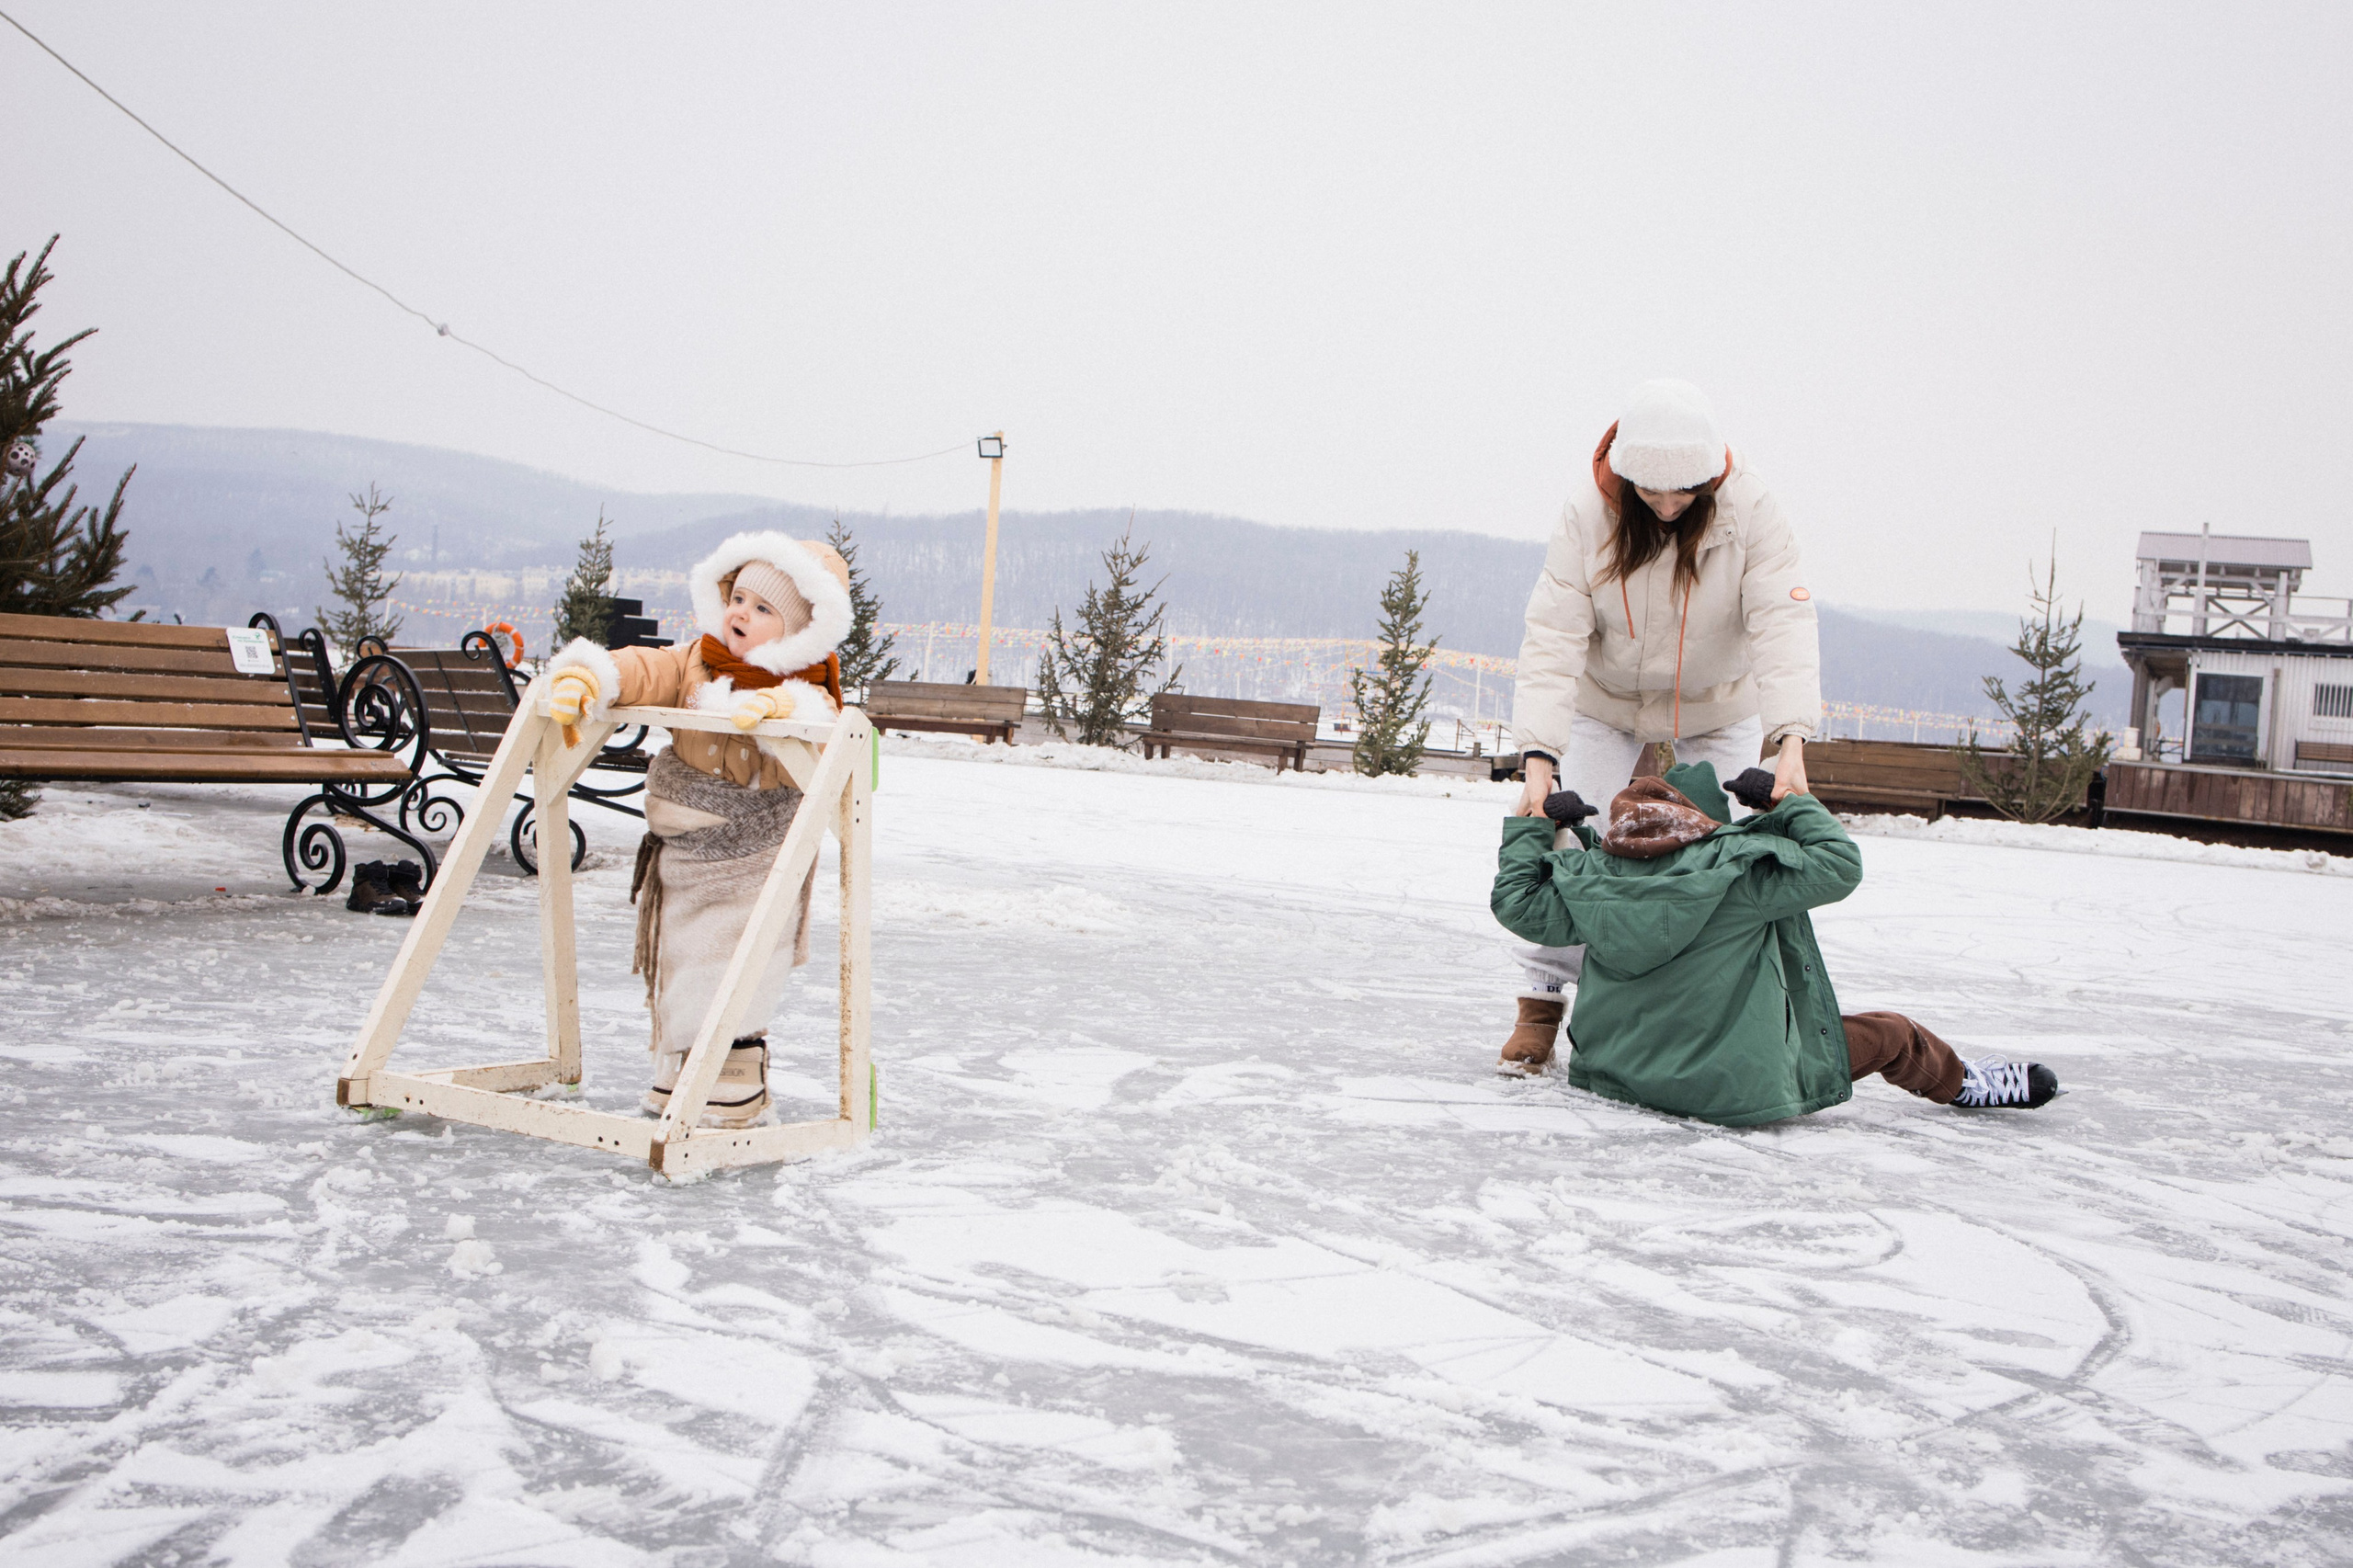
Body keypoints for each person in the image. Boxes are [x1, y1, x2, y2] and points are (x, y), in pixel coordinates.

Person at [1502, 377, 1823, 1075]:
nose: (1670, 505)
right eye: (1652, 490)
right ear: (1627, 473)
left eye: (1686, 491)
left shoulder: (1752, 509)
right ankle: (1543, 999)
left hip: (1719, 702)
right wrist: (1539, 755)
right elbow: (1553, 633)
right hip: (1606, 697)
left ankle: (1707, 999)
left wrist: (1791, 737)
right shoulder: (1589, 513)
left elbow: (1783, 621)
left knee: (1725, 851)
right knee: (1570, 836)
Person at [1489, 761, 2060, 1123]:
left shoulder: (1591, 878)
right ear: (1708, 822)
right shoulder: (1741, 875)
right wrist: (1788, 803)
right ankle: (1963, 1082)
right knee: (1892, 1034)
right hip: (1730, 1086)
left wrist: (1536, 824)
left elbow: (1515, 902)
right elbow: (1839, 865)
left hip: (1620, 1076)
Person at [540, 531, 853, 1128]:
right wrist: (590, 676)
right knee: (682, 955)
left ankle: (736, 1066)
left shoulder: (807, 684)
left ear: (800, 629)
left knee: (738, 954)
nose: (742, 614)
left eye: (764, 609)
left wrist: (783, 711)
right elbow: (643, 668)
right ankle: (682, 1061)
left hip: (755, 850)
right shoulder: (696, 659)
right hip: (685, 844)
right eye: (738, 598)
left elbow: (822, 723)